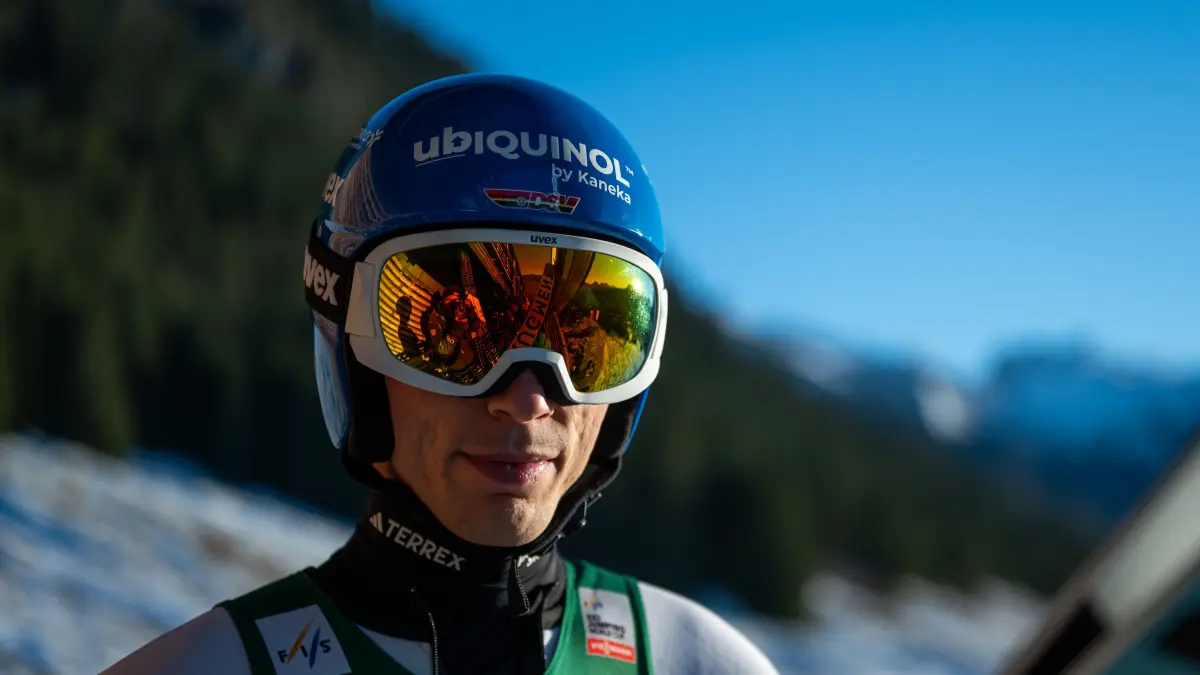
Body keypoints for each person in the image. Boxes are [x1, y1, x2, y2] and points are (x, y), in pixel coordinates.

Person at [101, 73, 780, 675]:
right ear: (353, 347)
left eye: (588, 342)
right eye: (459, 340)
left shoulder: (703, 663)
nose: (527, 399)